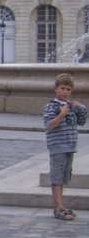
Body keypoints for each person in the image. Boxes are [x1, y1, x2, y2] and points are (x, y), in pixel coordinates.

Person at [43, 73, 87, 221]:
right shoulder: (51, 106)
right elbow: (49, 125)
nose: (65, 92)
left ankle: (60, 206)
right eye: (62, 88)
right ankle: (58, 208)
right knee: (56, 178)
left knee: (62, 178)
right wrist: (61, 115)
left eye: (68, 89)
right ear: (55, 88)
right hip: (58, 147)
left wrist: (79, 107)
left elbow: (82, 121)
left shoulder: (70, 106)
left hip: (69, 146)